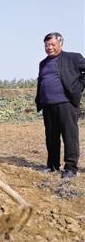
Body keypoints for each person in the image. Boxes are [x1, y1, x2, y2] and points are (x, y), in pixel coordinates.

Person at [35, 32, 85, 179]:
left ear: (60, 44)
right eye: (46, 45)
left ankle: (70, 168)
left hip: (66, 104)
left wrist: (79, 86)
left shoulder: (73, 58)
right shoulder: (43, 63)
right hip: (48, 104)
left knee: (70, 136)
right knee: (51, 137)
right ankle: (52, 165)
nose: (49, 47)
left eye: (52, 44)